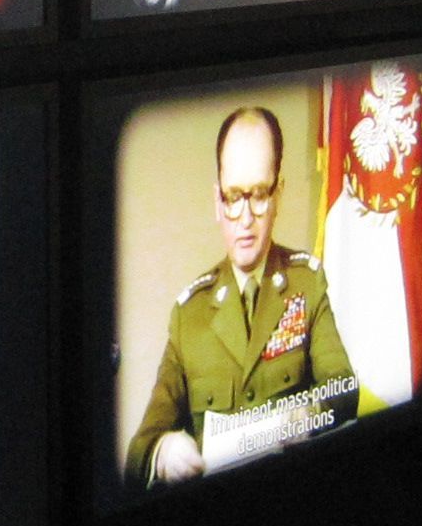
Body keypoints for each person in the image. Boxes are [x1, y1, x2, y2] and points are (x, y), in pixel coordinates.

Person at [123, 107, 358, 492]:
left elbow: (343, 388)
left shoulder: (306, 282)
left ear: (278, 193)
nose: (245, 217)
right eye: (233, 196)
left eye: (259, 194)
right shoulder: (190, 314)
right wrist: (164, 451)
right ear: (217, 200)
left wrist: (307, 414)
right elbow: (140, 449)